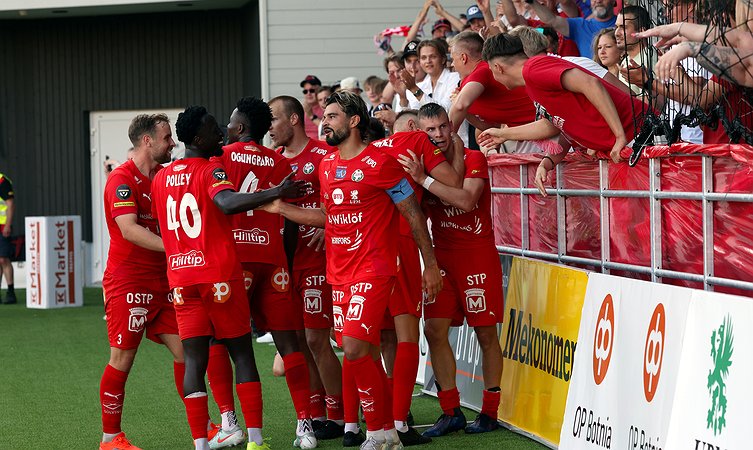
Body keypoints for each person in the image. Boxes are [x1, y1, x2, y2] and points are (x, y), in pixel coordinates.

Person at [260, 92, 442, 450]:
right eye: (324, 117)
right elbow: (328, 217)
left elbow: (413, 214)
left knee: (356, 348)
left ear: (354, 121)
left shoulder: (381, 162)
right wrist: (281, 208)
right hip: (338, 272)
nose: (324, 123)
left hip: (374, 269)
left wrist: (431, 265)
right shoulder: (327, 165)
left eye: (332, 117)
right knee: (360, 352)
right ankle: (387, 432)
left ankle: (375, 431)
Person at [151, 105, 309, 450]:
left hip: (183, 276)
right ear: (197, 137)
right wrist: (276, 192)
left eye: (226, 124)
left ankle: (215, 433)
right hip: (229, 270)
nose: (221, 131)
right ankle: (275, 434)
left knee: (198, 357)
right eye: (213, 127)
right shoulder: (216, 167)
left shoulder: (161, 177)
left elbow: (163, 222)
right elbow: (227, 202)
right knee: (249, 352)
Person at [213, 97, 318, 449]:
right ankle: (305, 426)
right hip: (272, 260)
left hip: (235, 261)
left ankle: (230, 421)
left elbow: (221, 206)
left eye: (231, 122)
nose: (227, 128)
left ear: (241, 127)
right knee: (290, 344)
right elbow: (289, 219)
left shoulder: (221, 158)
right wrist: (284, 261)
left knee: (220, 341)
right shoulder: (280, 161)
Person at [400, 103, 505, 436]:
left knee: (485, 334)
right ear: (420, 133)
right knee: (433, 330)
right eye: (430, 130)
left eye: (443, 126)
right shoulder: (421, 164)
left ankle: (490, 412)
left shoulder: (474, 158)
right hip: (442, 260)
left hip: (477, 259)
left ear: (451, 125)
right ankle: (451, 411)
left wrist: (424, 180)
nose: (438, 135)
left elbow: (466, 200)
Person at [99, 114, 181, 450]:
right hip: (128, 282)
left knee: (188, 352)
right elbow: (129, 229)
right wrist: (177, 248)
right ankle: (110, 438)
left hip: (163, 282)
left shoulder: (163, 176)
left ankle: (205, 426)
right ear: (147, 141)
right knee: (122, 358)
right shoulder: (121, 179)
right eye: (167, 137)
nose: (172, 143)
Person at [268, 95, 346, 441]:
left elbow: (343, 200)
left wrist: (327, 226)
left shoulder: (323, 154)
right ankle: (315, 413)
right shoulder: (272, 160)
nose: (270, 127)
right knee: (299, 340)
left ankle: (340, 414)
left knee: (316, 338)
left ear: (294, 119)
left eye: (274, 119)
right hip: (285, 262)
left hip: (316, 260)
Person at [476, 34, 647, 189]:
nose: (494, 78)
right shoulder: (532, 80)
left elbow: (590, 83)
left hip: (640, 134)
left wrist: (619, 136)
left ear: (498, 67)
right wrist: (505, 135)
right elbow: (553, 125)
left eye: (491, 71)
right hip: (632, 140)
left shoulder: (533, 68)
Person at [447, 30, 536, 149]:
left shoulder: (481, 70)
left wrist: (445, 141)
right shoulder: (472, 77)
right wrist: (467, 113)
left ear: (463, 58)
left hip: (541, 128)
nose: (452, 64)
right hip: (528, 132)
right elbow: (492, 128)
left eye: (453, 59)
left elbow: (460, 106)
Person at [528, 0, 618, 58]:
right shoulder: (580, 25)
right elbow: (551, 20)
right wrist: (531, 1)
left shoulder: (622, 24)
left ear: (614, 1)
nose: (598, 1)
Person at [0, 172, 15, 304]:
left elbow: (10, 204)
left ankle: (10, 291)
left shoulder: (2, 181)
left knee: (3, 259)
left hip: (2, 226)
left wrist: (8, 225)